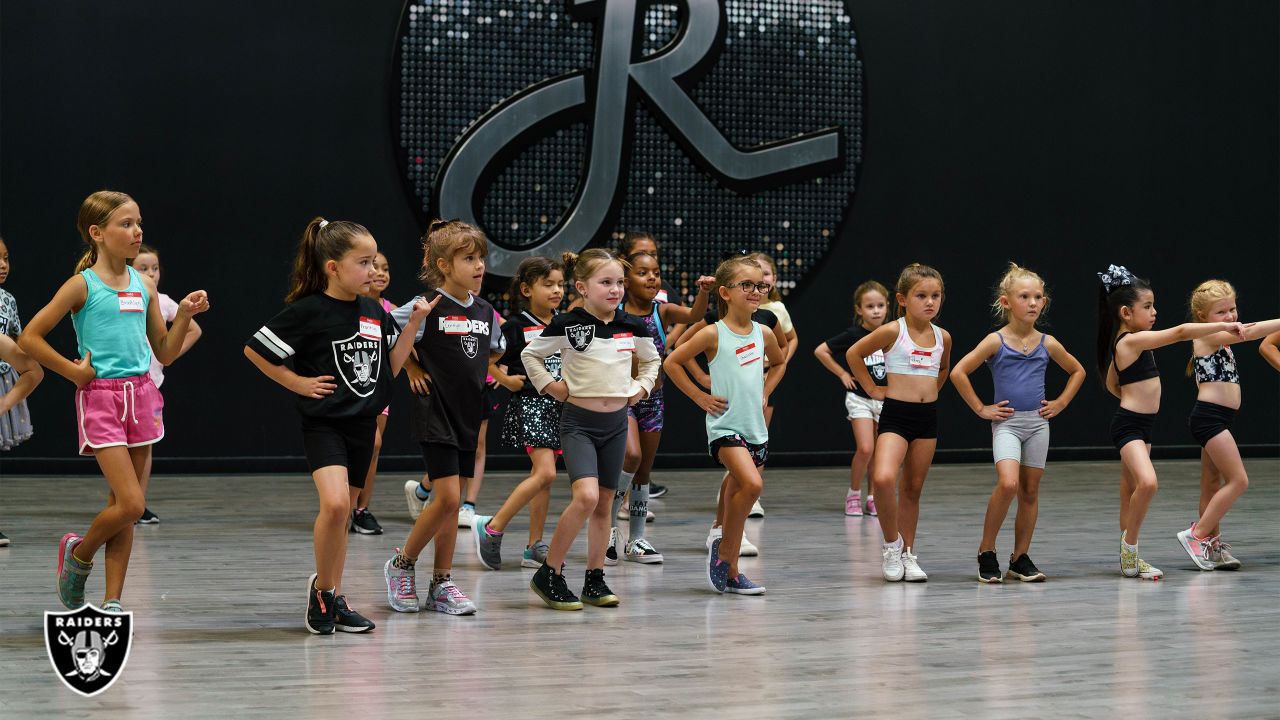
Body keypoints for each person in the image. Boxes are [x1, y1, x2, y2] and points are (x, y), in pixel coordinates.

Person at [21, 190, 208, 613]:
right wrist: (73, 372)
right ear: (98, 233)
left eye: (139, 222)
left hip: (142, 395)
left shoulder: (142, 284)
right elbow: (30, 336)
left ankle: (112, 601)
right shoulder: (80, 286)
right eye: (126, 224)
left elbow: (163, 350)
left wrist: (186, 317)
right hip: (102, 399)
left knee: (121, 508)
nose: (137, 230)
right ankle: (79, 555)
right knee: (132, 504)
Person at [522, 249, 660, 610]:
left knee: (604, 508)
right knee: (585, 497)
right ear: (582, 287)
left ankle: (595, 579)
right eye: (605, 282)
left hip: (615, 425)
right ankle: (549, 572)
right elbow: (530, 355)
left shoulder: (634, 326)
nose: (614, 290)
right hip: (579, 424)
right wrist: (551, 386)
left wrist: (640, 388)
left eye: (618, 282)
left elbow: (652, 360)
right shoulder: (568, 323)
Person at [383, 220, 504, 616]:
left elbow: (494, 351)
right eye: (468, 258)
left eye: (481, 258)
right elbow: (389, 338)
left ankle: (442, 582)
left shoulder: (486, 311)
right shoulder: (424, 304)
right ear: (443, 265)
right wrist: (415, 369)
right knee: (449, 497)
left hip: (469, 416)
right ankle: (401, 565)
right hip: (435, 413)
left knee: (451, 506)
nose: (479, 266)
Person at [1094, 264, 1245, 580]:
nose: (1153, 312)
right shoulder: (1129, 342)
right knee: (1147, 483)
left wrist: (1129, 395)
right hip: (1129, 425)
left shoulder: (1133, 341)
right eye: (1147, 307)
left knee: (1131, 488)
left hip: (1141, 424)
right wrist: (1225, 329)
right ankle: (1130, 550)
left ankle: (1130, 557)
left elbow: (1112, 380)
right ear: (1125, 312)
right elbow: (1179, 333)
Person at [949, 263, 1085, 582]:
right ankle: (986, 549)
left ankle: (1019, 557)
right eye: (1024, 296)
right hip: (1008, 424)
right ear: (1006, 302)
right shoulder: (995, 341)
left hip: (1037, 423)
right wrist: (982, 408)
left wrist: (1061, 402)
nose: (1033, 302)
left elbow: (1077, 370)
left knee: (1029, 491)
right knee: (1008, 483)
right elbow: (958, 372)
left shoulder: (1047, 343)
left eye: (1038, 296)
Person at [665, 255, 785, 594]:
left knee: (738, 491)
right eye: (746, 284)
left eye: (760, 284)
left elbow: (779, 363)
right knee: (752, 484)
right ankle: (726, 551)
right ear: (726, 292)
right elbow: (673, 361)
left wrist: (765, 390)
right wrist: (700, 396)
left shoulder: (764, 332)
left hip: (755, 428)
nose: (756, 290)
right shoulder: (712, 332)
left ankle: (731, 571)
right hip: (724, 427)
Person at [847, 263, 951, 582]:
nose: (930, 302)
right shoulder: (894, 330)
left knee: (912, 489)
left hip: (926, 419)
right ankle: (892, 545)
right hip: (895, 415)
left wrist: (931, 390)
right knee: (882, 478)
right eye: (921, 295)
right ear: (902, 299)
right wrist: (872, 388)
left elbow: (944, 369)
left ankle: (908, 554)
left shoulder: (943, 336)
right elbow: (854, 354)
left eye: (936, 296)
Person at [1176, 279, 1280, 571]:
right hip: (1209, 419)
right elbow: (1253, 331)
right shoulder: (1207, 337)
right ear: (1202, 318)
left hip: (1217, 418)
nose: (1231, 317)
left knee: (1211, 484)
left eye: (1232, 309)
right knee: (1239, 480)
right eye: (1221, 312)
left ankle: (1213, 546)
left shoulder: (1219, 339)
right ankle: (1196, 536)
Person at [472, 256, 565, 570]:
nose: (556, 290)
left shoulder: (563, 323)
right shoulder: (515, 325)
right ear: (527, 289)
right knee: (546, 473)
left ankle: (533, 545)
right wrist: (506, 379)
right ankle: (492, 527)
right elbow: (486, 359)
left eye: (560, 284)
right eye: (548, 284)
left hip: (558, 407)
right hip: (531, 405)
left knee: (544, 479)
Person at [129, 244, 203, 524]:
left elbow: (194, 329)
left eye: (155, 268)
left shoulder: (163, 301)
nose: (151, 273)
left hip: (149, 384)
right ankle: (125, 498)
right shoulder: (125, 295)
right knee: (120, 448)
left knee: (144, 446)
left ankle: (139, 503)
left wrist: (167, 357)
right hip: (121, 382)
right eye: (143, 268)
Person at [814, 280, 890, 516]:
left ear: (888, 306)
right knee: (866, 448)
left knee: (880, 452)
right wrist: (843, 373)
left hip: (886, 399)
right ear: (859, 309)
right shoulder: (854, 334)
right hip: (859, 398)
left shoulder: (893, 332)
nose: (876, 310)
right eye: (869, 306)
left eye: (880, 305)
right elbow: (821, 351)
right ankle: (854, 494)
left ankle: (873, 497)